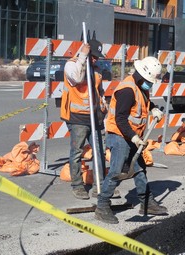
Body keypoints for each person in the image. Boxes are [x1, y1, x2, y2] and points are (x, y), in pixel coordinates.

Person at [95, 56, 168, 224]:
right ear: (142, 75)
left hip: (132, 137)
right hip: (120, 135)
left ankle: (147, 203)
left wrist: (154, 109)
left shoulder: (140, 86)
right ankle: (102, 206)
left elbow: (143, 103)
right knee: (116, 171)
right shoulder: (127, 90)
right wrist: (134, 137)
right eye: (150, 80)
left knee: (139, 169)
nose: (150, 84)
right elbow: (120, 119)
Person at [60, 39, 108, 200]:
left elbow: (99, 90)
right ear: (86, 52)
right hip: (77, 117)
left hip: (95, 117)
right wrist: (82, 57)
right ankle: (77, 185)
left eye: (97, 57)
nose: (95, 59)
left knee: (99, 152)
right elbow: (77, 79)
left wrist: (103, 104)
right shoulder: (72, 65)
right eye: (93, 56)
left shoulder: (96, 68)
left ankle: (99, 185)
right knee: (77, 153)